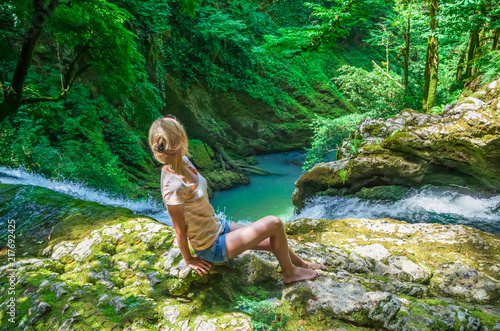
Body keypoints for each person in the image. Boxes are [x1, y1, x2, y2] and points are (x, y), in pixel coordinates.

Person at [148, 116, 325, 284]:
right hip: (211, 247)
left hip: (217, 226)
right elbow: (179, 231)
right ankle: (289, 273)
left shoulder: (184, 162)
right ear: (181, 139)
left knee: (274, 238)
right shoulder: (173, 187)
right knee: (274, 223)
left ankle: (301, 264)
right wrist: (188, 258)